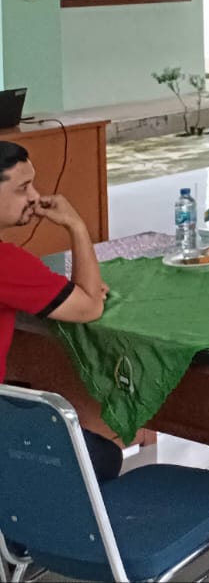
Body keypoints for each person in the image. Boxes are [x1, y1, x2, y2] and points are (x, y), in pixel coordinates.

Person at [0, 143, 121, 481]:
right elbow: (90, 306)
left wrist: (77, 292)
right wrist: (76, 226)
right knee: (104, 457)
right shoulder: (6, 263)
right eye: (22, 188)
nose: (35, 197)